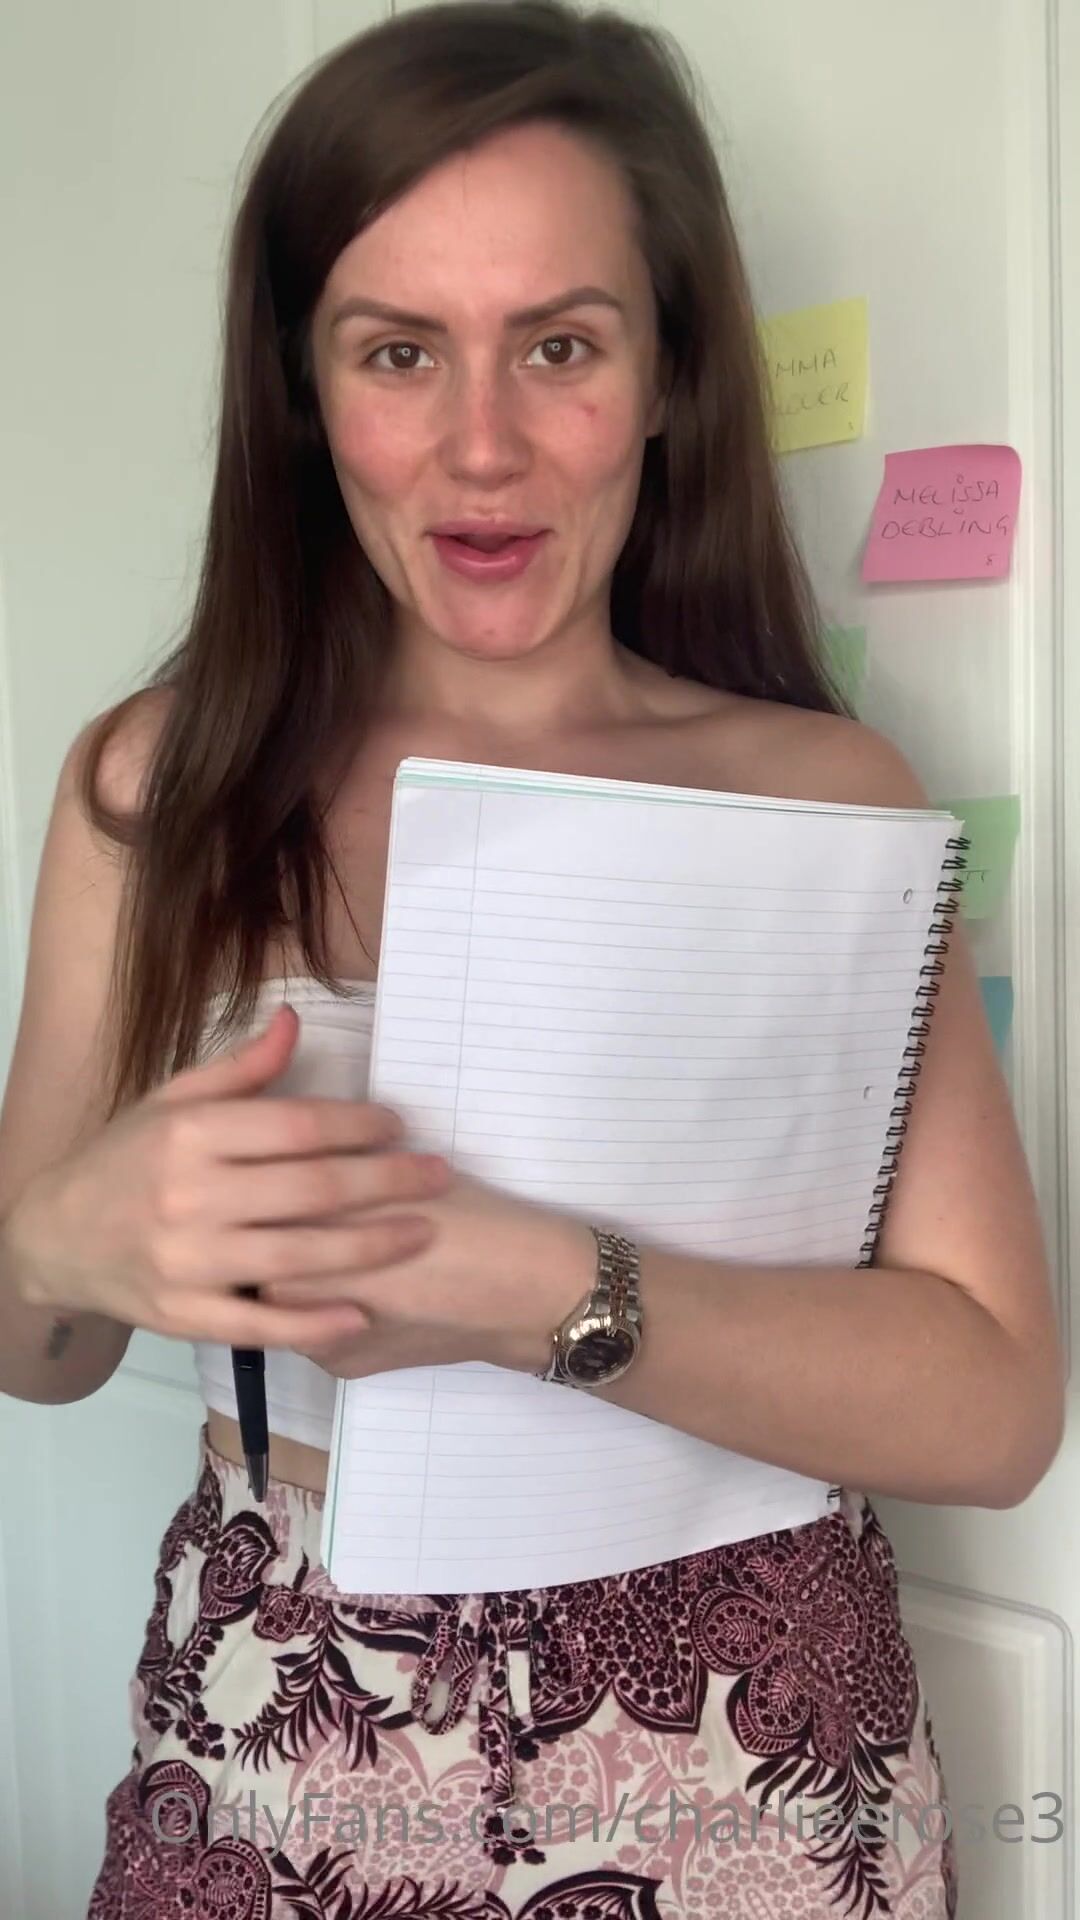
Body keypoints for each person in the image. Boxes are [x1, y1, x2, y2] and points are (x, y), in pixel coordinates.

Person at [0, 2, 1063, 1913]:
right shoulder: (159, 794)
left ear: (664, 375)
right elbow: (36, 1353)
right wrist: (53, 1245)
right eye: (398, 351)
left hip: (752, 1747)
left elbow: (993, 1411)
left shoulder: (826, 797)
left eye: (560, 345)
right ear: (305, 389)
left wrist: (547, 1293)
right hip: (286, 1739)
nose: (480, 445)